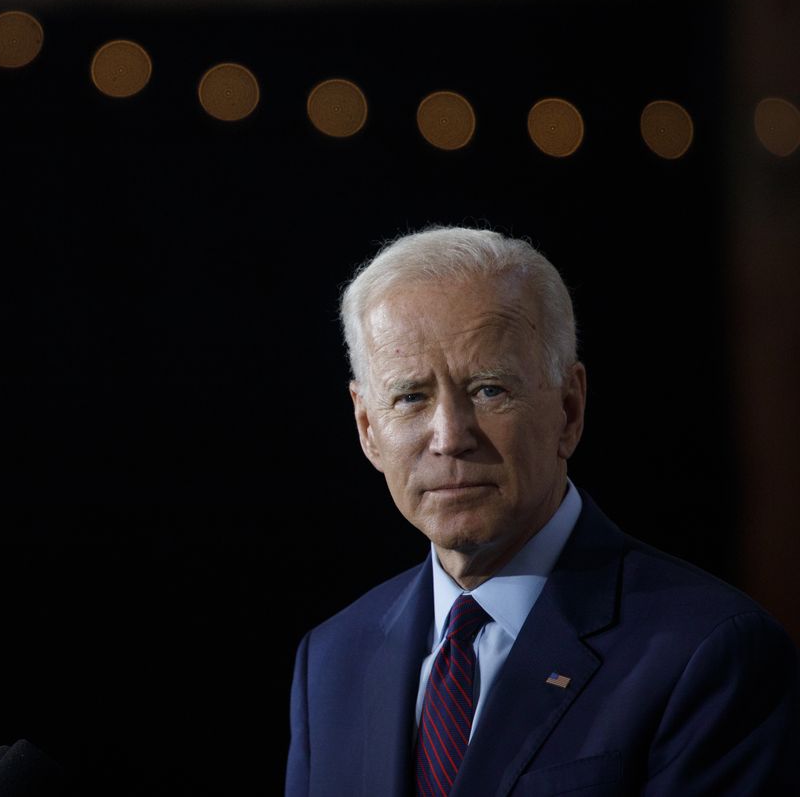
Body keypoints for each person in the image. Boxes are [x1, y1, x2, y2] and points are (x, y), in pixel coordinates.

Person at [286, 226, 799, 797]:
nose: (450, 436)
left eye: (488, 390)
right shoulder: (331, 662)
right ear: (367, 429)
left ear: (569, 409)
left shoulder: (709, 655)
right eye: (410, 397)